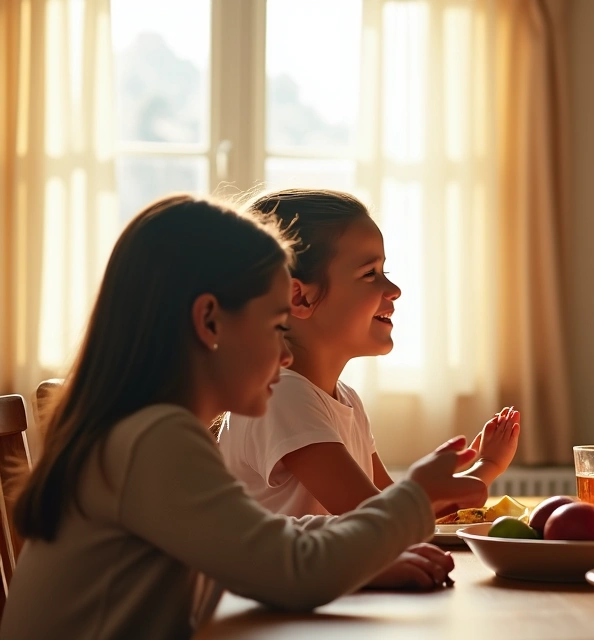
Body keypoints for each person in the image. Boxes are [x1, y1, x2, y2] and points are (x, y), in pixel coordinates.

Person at [0, 195, 486, 639]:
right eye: (277, 326)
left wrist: (368, 555)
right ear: (209, 321)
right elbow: (293, 574)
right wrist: (414, 498)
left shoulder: (148, 433)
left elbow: (256, 537)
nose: (287, 355)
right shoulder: (152, 440)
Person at [217, 188, 519, 518]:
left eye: (384, 272)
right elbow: (379, 519)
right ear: (300, 299)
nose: (394, 289)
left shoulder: (345, 400)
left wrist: (487, 466)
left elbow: (399, 510)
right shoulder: (282, 394)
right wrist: (479, 468)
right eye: (369, 274)